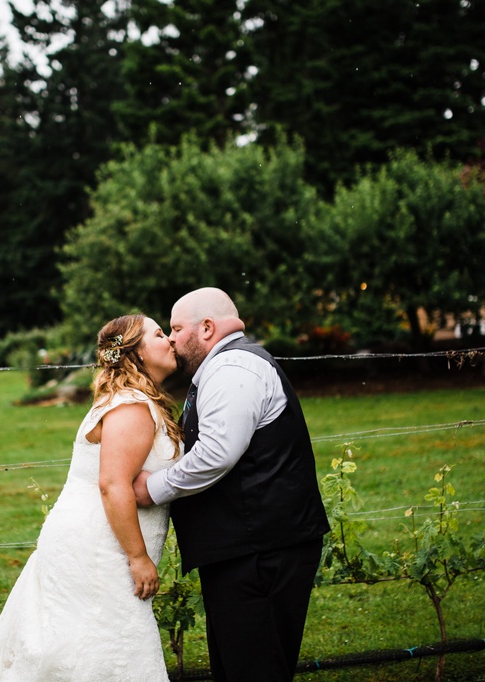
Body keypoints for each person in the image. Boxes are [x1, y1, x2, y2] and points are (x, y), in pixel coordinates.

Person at [135, 287, 331, 682]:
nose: (171, 339)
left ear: (206, 328)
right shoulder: (225, 367)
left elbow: (216, 455)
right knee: (239, 665)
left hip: (262, 552)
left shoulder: (233, 369)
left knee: (255, 669)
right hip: (249, 548)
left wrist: (151, 488)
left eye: (175, 328)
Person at [0, 314, 183, 682]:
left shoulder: (130, 400)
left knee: (85, 644)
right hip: (102, 551)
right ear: (135, 353)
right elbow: (113, 484)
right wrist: (137, 557)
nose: (169, 340)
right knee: (108, 643)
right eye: (158, 334)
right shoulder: (131, 406)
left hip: (95, 540)